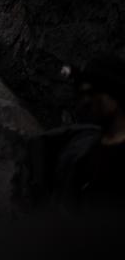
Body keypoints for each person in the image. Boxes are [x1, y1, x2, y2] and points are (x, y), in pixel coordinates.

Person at [25, 53, 125, 209]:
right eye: (84, 94)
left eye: (94, 93)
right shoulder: (85, 149)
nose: (87, 101)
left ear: (114, 93)